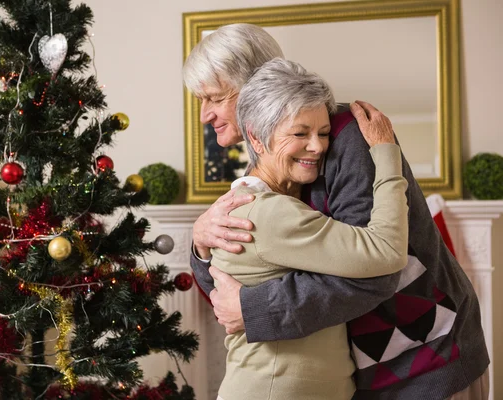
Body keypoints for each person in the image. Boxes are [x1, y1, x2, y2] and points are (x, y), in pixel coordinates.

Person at [183, 23, 489, 400]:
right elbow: (231, 287)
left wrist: (255, 310)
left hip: (425, 359)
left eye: (214, 97)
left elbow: (377, 270)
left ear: (257, 86)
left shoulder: (348, 140)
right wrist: (200, 245)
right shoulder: (263, 172)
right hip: (359, 372)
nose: (205, 115)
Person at [213, 57, 408, 400]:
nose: (318, 147)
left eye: (323, 133)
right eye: (300, 133)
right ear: (257, 139)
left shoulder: (254, 202)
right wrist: (385, 152)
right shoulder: (270, 214)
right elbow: (387, 253)